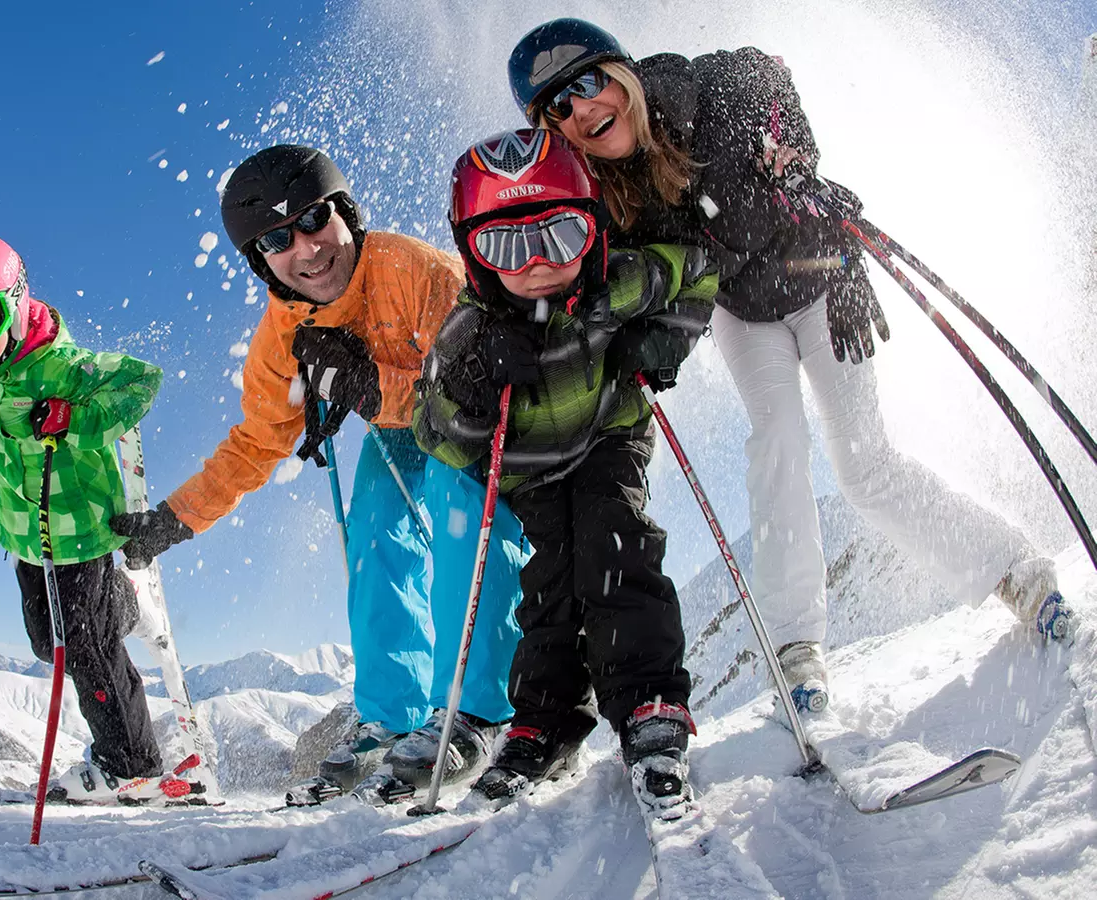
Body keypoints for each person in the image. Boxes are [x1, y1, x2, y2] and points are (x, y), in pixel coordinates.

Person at [507, 19, 1069, 713]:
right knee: (777, 442)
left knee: (866, 466)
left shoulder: (695, 95)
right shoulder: (608, 197)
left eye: (590, 83)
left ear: (620, 75)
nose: (583, 109)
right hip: (746, 314)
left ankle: (1018, 573)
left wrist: (798, 159)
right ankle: (797, 647)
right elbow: (622, 277)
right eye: (558, 107)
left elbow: (767, 72)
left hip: (820, 281)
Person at [109, 145, 529, 800]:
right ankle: (394, 720)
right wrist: (172, 520)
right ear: (260, 260)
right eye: (277, 238)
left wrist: (366, 384)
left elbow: (473, 397)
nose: (306, 248)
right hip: (400, 429)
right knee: (375, 533)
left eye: (314, 219)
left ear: (346, 213)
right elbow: (254, 445)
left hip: (467, 423)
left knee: (458, 505)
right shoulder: (282, 336)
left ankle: (482, 712)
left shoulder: (412, 270)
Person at [415, 128, 717, 818]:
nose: (538, 264)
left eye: (560, 233)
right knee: (551, 585)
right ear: (473, 254)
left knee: (614, 541)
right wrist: (471, 381)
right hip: (530, 468)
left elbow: (696, 267)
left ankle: (648, 699)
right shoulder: (470, 330)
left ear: (594, 227)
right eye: (506, 245)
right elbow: (432, 429)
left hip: (609, 433)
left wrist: (666, 336)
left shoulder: (615, 283)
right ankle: (545, 722)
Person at [0, 234, 190, 804]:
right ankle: (124, 605)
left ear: (16, 302)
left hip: (82, 527)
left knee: (83, 649)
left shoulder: (64, 365)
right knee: (49, 642)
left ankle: (132, 766)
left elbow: (141, 383)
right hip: (24, 532)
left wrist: (72, 418)